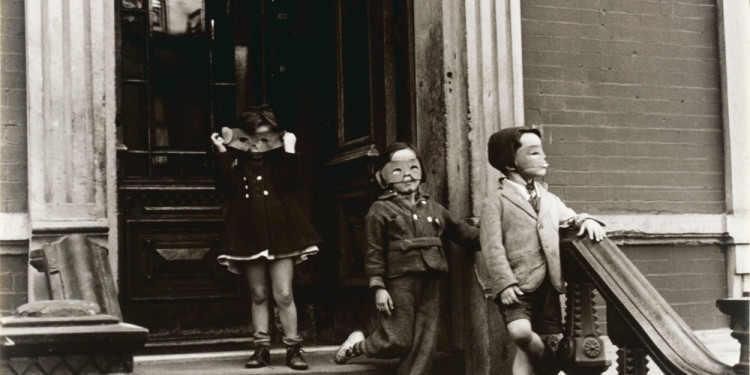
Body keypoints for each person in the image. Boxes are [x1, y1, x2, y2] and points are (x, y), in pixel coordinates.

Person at [334, 142, 479, 375]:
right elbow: (372, 252)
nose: (407, 175)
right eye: (398, 170)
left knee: (425, 341)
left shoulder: (433, 207)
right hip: (399, 280)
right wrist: (378, 287)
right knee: (397, 339)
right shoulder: (380, 210)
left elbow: (463, 233)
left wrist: (494, 235)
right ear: (384, 176)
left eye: (413, 168)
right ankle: (358, 345)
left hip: (432, 277)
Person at [477, 127, 606, 375]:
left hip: (548, 284)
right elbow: (492, 247)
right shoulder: (495, 202)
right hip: (517, 285)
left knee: (533, 346)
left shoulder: (548, 198)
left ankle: (545, 362)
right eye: (534, 153)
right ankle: (549, 359)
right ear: (511, 163)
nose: (544, 158)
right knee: (521, 334)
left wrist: (586, 220)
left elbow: (569, 218)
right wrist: (504, 284)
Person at [210, 104, 321, 370]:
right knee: (258, 293)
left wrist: (290, 148)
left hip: (282, 234)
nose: (258, 146)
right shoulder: (238, 162)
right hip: (248, 233)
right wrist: (222, 152)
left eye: (265, 137)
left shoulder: (280, 159)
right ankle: (261, 348)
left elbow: (292, 182)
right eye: (253, 138)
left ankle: (293, 347)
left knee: (283, 293)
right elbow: (226, 186)